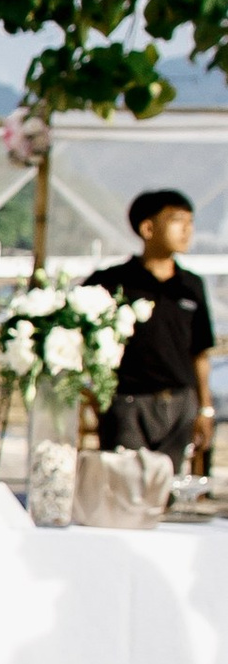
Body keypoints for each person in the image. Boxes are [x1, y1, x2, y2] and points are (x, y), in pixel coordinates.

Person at [88, 188, 216, 475]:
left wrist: (204, 409)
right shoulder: (111, 282)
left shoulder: (190, 286)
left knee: (165, 491)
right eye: (177, 220)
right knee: (125, 485)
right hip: (127, 403)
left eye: (190, 222)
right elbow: (80, 338)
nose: (187, 229)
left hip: (180, 404)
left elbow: (200, 353)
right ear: (148, 228)